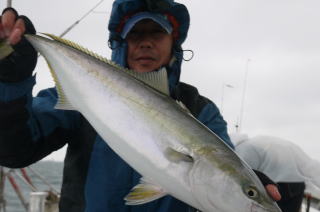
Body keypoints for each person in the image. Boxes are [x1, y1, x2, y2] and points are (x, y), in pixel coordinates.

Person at [0, 0, 280, 211]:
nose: (145, 43)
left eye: (156, 34)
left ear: (174, 43)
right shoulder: (85, 92)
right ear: (121, 42)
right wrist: (11, 83)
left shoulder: (201, 111)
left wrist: (250, 183)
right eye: (136, 35)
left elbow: (224, 161)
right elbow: (13, 151)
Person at [232, 133, 320, 212]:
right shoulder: (260, 141)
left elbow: (242, 174)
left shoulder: (243, 148)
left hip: (274, 186)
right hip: (297, 185)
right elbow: (310, 167)